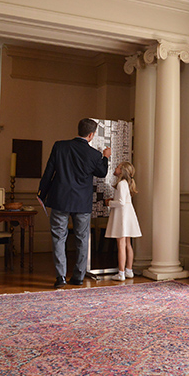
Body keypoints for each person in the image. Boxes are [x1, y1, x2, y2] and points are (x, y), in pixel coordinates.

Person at [38, 118, 110, 288]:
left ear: (79, 130)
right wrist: (105, 157)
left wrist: (41, 193)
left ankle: (60, 277)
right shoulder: (94, 154)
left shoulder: (60, 146)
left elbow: (49, 171)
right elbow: (102, 173)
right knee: (82, 239)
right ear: (91, 135)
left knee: (58, 238)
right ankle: (78, 276)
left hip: (60, 199)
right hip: (81, 203)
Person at [104, 161, 142, 281]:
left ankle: (121, 273)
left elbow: (120, 202)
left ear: (122, 171)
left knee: (121, 244)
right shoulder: (126, 183)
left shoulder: (121, 184)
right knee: (127, 244)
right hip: (128, 214)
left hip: (122, 216)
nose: (115, 168)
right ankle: (128, 270)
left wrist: (108, 203)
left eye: (118, 167)